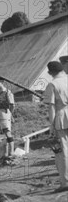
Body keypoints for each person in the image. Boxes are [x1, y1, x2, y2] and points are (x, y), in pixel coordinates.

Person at [43, 61, 68, 193]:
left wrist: (51, 125)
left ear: (50, 72)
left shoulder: (52, 84)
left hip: (61, 116)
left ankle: (65, 182)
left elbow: (51, 107)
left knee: (62, 151)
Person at [0, 76, 16, 163]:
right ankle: (5, 153)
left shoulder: (7, 92)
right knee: (3, 134)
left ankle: (12, 151)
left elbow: (12, 104)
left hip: (6, 113)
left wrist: (10, 114)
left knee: (7, 132)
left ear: (2, 82)